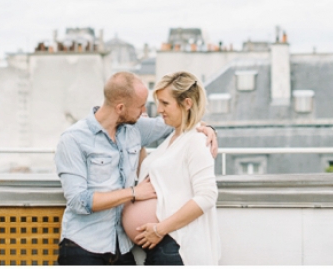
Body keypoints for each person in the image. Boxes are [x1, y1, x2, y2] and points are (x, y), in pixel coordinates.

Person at [55, 71, 217, 265]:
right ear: (121, 108)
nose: (146, 112)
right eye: (140, 107)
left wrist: (208, 129)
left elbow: (182, 120)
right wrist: (133, 193)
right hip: (84, 248)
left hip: (122, 249)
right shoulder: (73, 139)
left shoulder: (135, 128)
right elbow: (78, 201)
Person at [122, 72, 220, 265]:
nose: (159, 110)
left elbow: (207, 196)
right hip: (163, 245)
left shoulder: (196, 141)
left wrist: (160, 229)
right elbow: (152, 175)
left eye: (165, 104)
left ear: (187, 104)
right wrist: (139, 141)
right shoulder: (173, 139)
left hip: (176, 245)